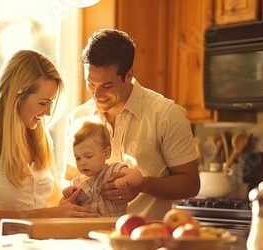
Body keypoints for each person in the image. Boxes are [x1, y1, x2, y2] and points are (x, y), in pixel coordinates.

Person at [63, 29, 200, 220]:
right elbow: (70, 177)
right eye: (91, 83)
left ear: (128, 75)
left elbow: (191, 184)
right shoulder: (78, 117)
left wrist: (143, 185)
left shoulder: (166, 114)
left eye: (107, 86)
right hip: (90, 238)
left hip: (147, 239)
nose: (96, 94)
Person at [0, 50, 99, 229]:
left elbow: (49, 201)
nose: (47, 112)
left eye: (51, 103)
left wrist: (69, 198)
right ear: (16, 95)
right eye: (42, 103)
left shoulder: (39, 136)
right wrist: (49, 214)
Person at [62, 118, 144, 217]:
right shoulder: (77, 184)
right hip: (86, 228)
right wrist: (67, 194)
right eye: (77, 158)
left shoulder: (113, 170)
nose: (82, 162)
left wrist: (125, 180)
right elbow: (63, 207)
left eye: (88, 156)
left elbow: (138, 176)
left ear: (106, 153)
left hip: (113, 226)